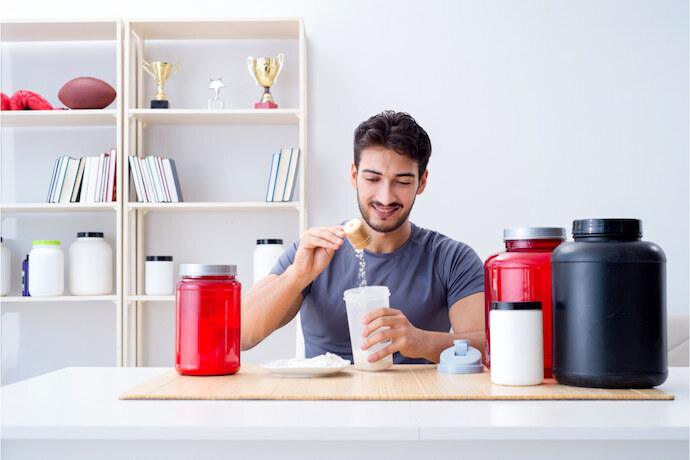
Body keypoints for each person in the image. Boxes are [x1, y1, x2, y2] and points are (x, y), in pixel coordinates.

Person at [242, 111, 485, 364]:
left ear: (422, 182)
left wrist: (423, 342)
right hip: (325, 402)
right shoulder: (314, 252)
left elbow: (491, 348)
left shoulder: (451, 259)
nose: (385, 196)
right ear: (354, 176)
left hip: (416, 401)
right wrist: (296, 277)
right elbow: (239, 337)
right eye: (372, 179)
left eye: (401, 181)